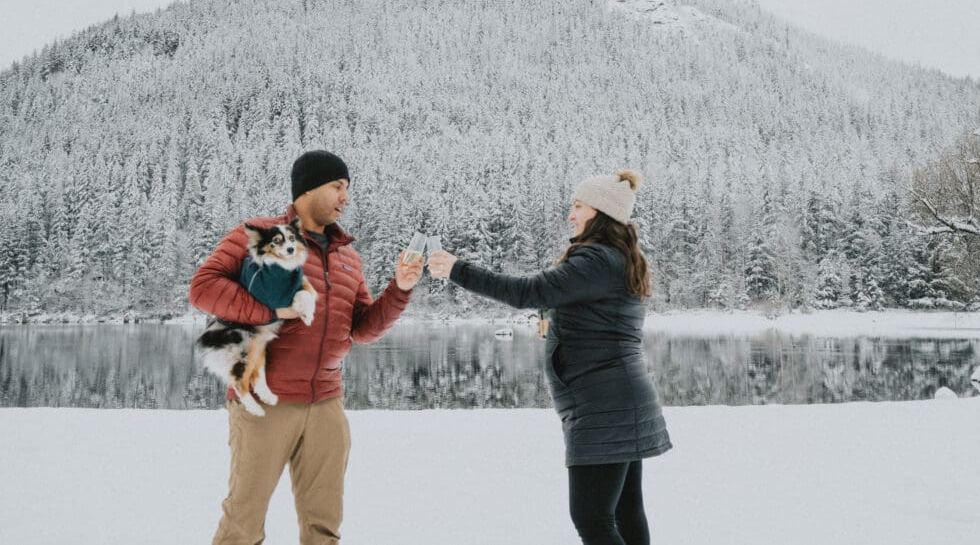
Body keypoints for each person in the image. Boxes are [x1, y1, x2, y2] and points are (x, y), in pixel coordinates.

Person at [190, 149, 423, 545]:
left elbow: (363, 329)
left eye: (347, 188)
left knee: (324, 527)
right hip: (265, 401)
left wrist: (399, 289)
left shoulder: (348, 257)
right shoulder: (260, 233)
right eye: (337, 186)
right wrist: (270, 312)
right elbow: (203, 288)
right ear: (308, 188)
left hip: (326, 403)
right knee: (243, 523)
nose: (345, 197)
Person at [428, 169, 671, 545]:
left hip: (603, 405)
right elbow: (587, 314)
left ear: (600, 213)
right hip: (621, 398)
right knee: (624, 511)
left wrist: (458, 270)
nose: (571, 214)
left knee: (592, 518)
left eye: (578, 206)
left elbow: (528, 292)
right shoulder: (619, 258)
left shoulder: (596, 261)